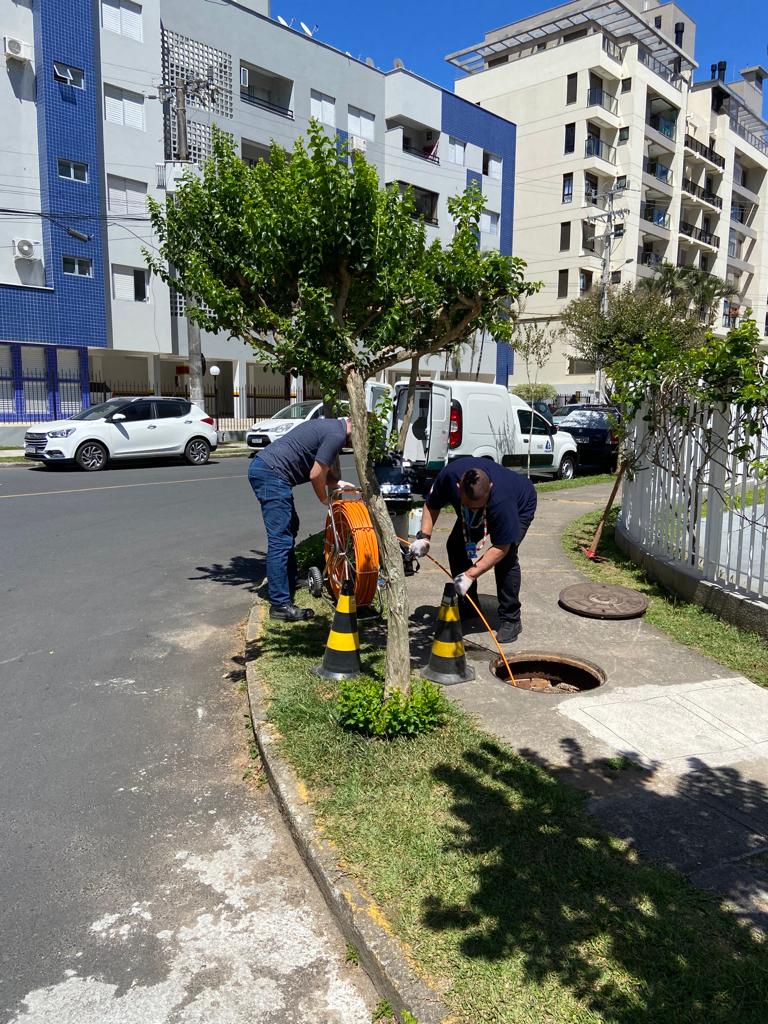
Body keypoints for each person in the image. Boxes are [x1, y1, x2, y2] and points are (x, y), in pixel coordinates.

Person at [410, 458, 537, 644]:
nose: (471, 508)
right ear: (458, 486)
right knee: (455, 546)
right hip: (481, 502)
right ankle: (469, 606)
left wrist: (470, 575)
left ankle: (511, 618)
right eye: (467, 504)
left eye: (476, 505)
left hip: (520, 505)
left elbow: (501, 547)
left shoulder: (502, 500)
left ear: (490, 488)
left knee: (506, 559)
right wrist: (424, 537)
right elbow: (432, 504)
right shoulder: (449, 476)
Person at [249, 417, 353, 622]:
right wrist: (325, 499)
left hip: (270, 471)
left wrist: (338, 482)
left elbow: (319, 470)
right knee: (280, 539)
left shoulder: (333, 427)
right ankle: (280, 605)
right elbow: (316, 475)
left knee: (290, 527)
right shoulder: (337, 434)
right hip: (271, 473)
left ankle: (289, 580)